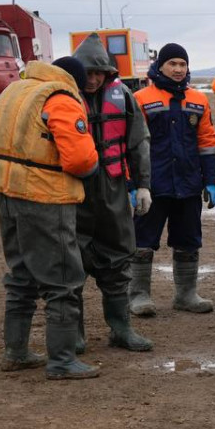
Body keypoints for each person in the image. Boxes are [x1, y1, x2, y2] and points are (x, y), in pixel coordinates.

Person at [0, 56, 101, 380]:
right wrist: (94, 167)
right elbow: (78, 159)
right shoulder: (60, 98)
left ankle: (15, 352)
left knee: (21, 274)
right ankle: (62, 360)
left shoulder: (15, 91)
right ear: (71, 78)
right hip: (45, 196)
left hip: (8, 193)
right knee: (63, 278)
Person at [71, 33, 154, 353]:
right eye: (86, 73)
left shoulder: (124, 97)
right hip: (72, 192)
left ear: (108, 73)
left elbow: (138, 143)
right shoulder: (60, 98)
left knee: (119, 258)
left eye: (98, 73)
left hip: (114, 189)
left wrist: (143, 185)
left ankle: (121, 329)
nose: (92, 80)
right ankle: (73, 336)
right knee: (70, 263)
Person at [131, 43, 215, 315]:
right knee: (142, 241)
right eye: (173, 64)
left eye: (183, 64)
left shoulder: (198, 100)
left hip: (188, 184)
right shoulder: (140, 98)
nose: (178, 69)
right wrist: (133, 184)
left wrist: (211, 180)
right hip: (152, 185)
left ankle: (186, 295)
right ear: (161, 66)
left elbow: (206, 142)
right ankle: (138, 296)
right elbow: (131, 146)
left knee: (188, 240)